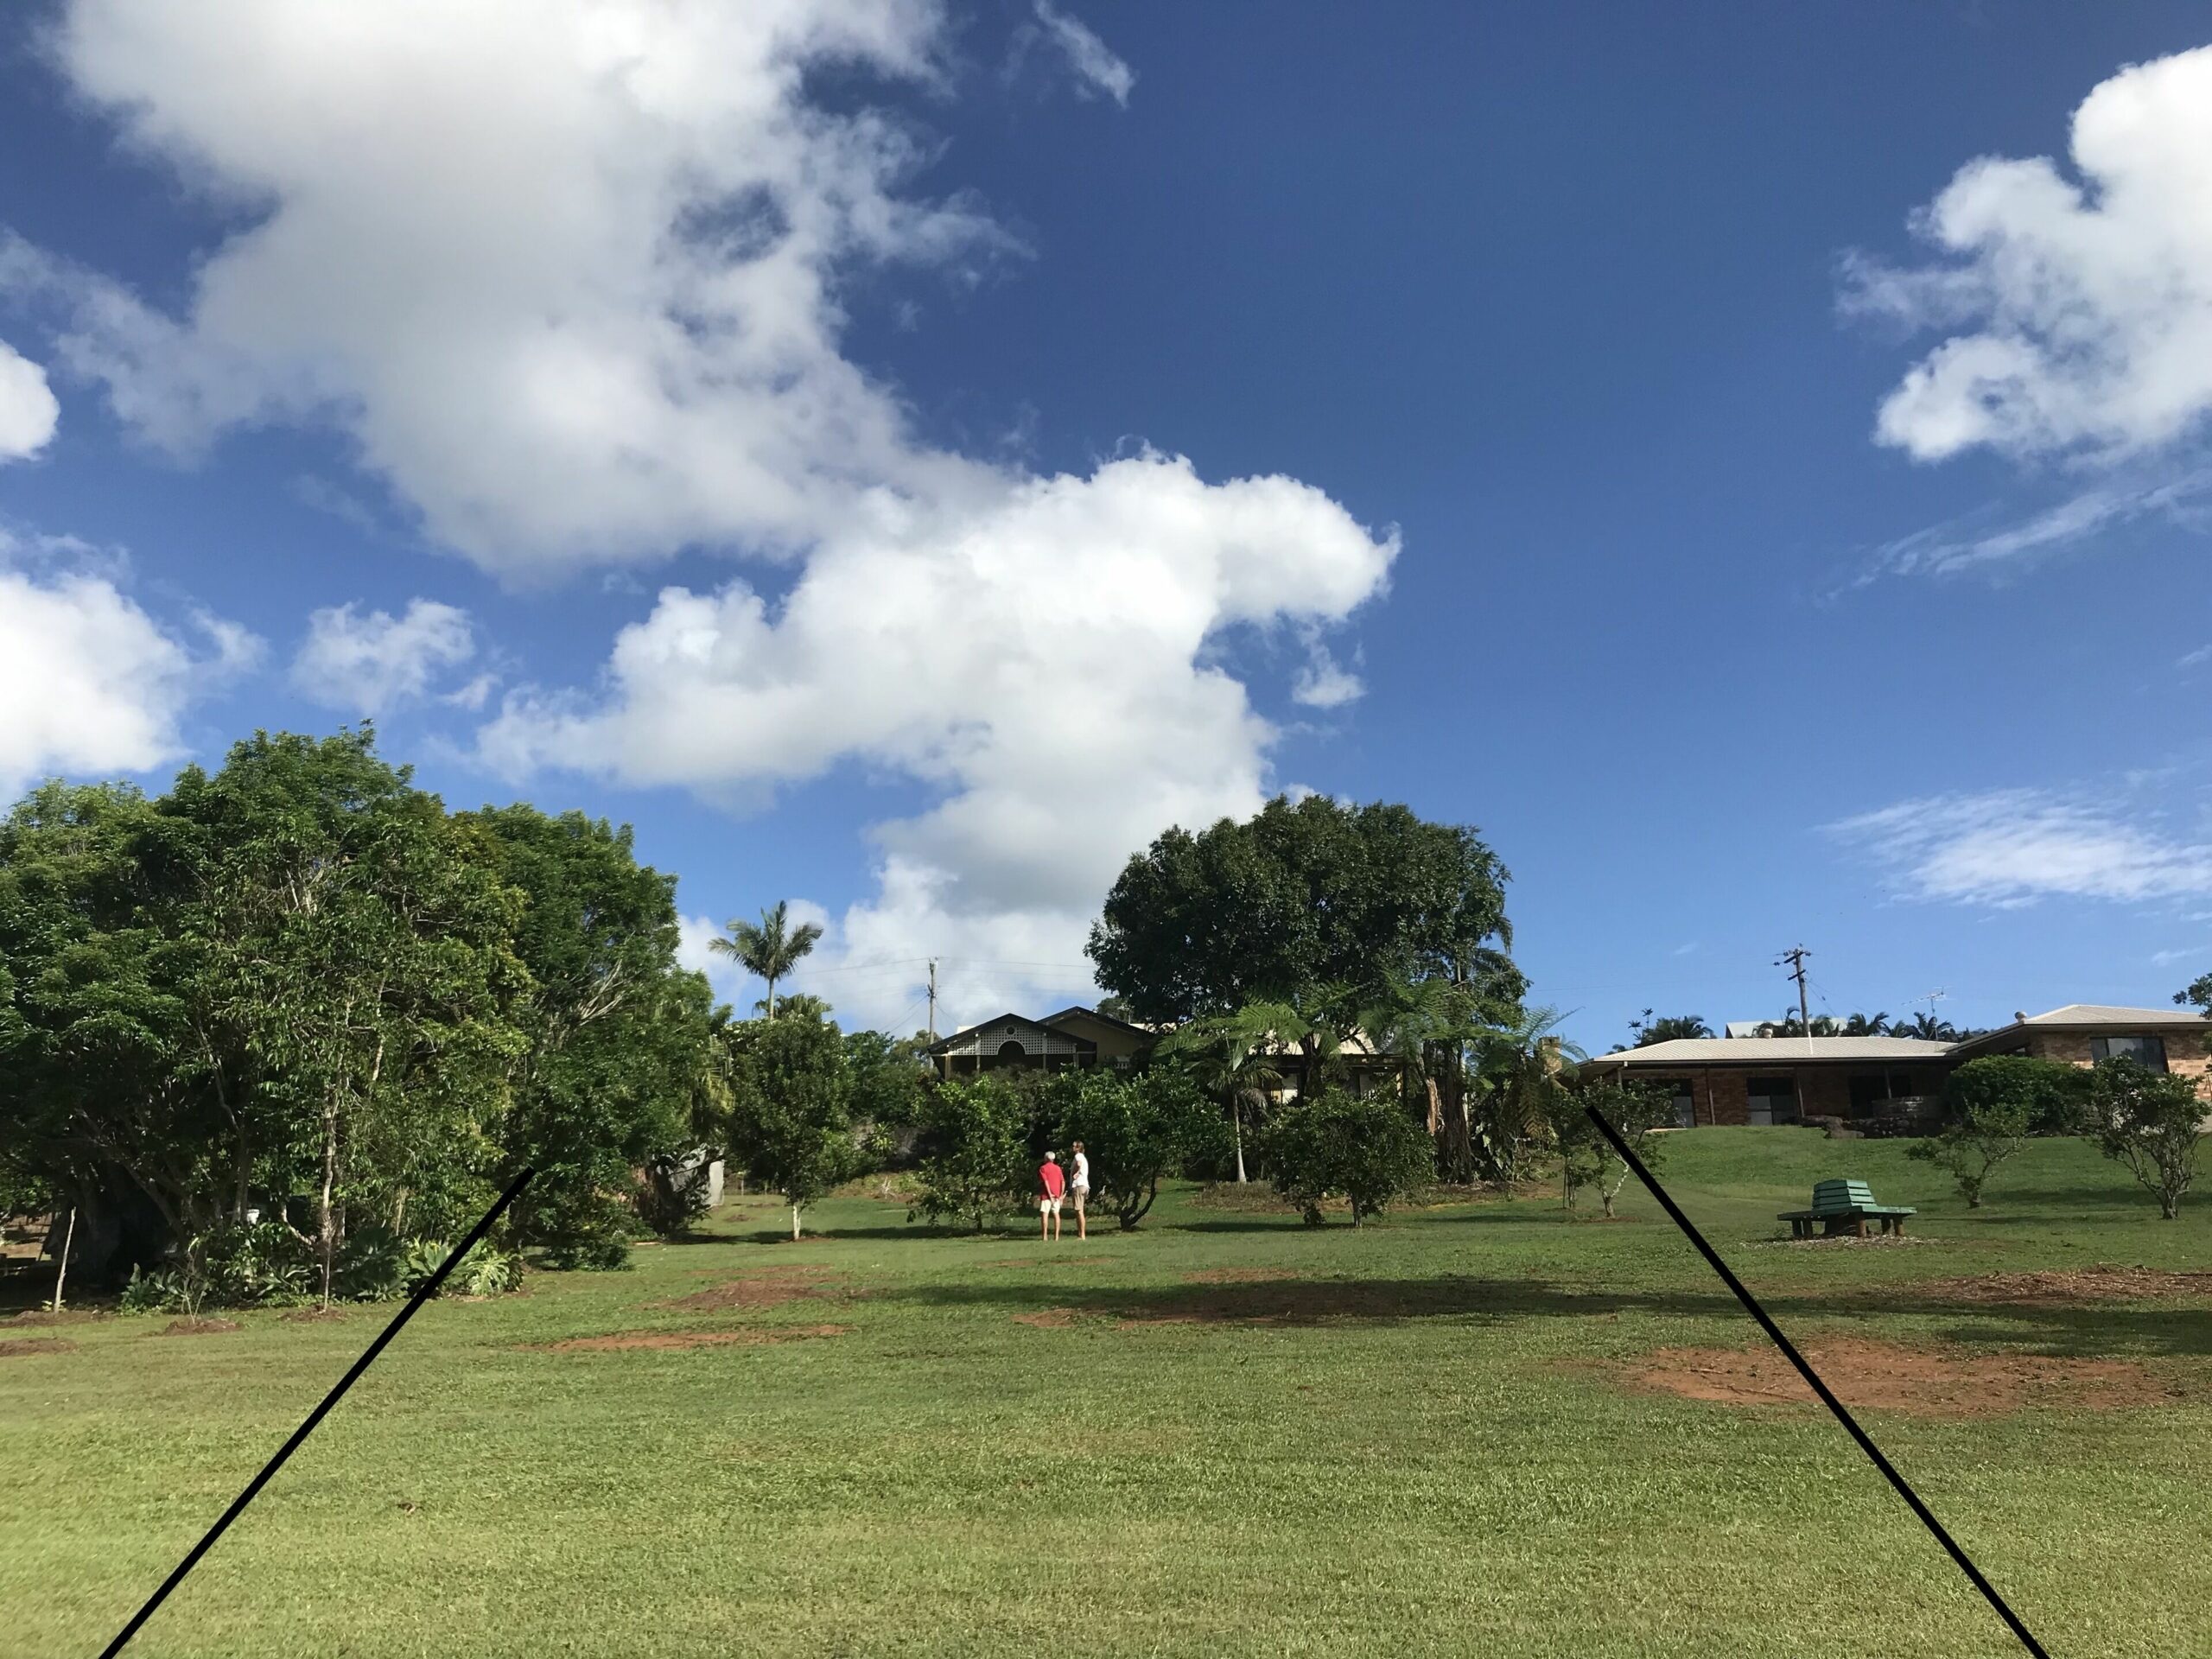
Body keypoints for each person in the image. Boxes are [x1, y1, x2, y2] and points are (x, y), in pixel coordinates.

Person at [1039, 1149, 1065, 1242]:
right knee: (1056, 1214)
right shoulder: (1058, 1168)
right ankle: (1056, 1237)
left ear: (1046, 1158)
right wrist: (1061, 1195)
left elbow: (1045, 1181)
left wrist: (1049, 1194)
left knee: (1045, 1214)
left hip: (1047, 1194)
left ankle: (1045, 1236)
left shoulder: (1043, 1168)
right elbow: (1063, 1182)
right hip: (1057, 1195)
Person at [1069, 1140, 1091, 1240]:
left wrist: (1075, 1172)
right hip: (1084, 1185)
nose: (1072, 1148)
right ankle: (1080, 1233)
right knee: (1079, 1210)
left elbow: (1078, 1164)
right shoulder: (1083, 1157)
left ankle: (1082, 1235)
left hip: (1079, 1184)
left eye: (1074, 1146)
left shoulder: (1078, 1156)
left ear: (1078, 1148)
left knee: (1079, 1210)